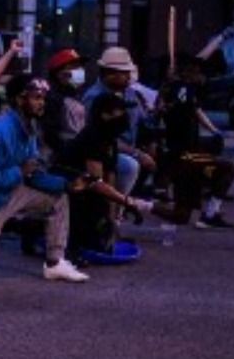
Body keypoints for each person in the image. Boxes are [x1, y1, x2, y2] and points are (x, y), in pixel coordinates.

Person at [0, 74, 89, 282]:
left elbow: (33, 173)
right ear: (19, 99)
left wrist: (66, 184)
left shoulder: (30, 127)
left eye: (42, 98)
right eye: (36, 98)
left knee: (58, 198)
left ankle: (55, 262)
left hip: (10, 192)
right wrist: (19, 171)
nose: (41, 103)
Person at [57, 93, 161, 253]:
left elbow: (110, 178)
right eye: (120, 111)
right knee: (91, 207)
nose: (125, 116)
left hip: (86, 186)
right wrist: (129, 202)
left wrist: (112, 219)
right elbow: (96, 182)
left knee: (102, 221)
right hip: (69, 188)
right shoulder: (93, 137)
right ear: (105, 115)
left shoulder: (109, 138)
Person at [160, 55, 234, 229]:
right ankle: (210, 213)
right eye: (202, 74)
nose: (204, 79)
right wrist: (214, 131)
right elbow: (194, 111)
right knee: (230, 167)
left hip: (183, 151)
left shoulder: (171, 88)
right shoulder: (185, 90)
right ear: (192, 73)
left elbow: (192, 111)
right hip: (185, 154)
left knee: (181, 215)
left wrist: (214, 131)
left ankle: (140, 204)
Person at [83, 47, 154, 198]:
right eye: (123, 73)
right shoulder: (95, 97)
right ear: (109, 73)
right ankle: (115, 205)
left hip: (130, 147)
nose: (128, 77)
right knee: (129, 166)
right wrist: (137, 154)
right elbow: (99, 137)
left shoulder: (131, 93)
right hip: (104, 151)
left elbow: (143, 120)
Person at [41, 48, 89, 159]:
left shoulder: (77, 95)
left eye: (80, 66)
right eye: (74, 67)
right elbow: (51, 136)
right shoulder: (52, 99)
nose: (80, 71)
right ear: (59, 73)